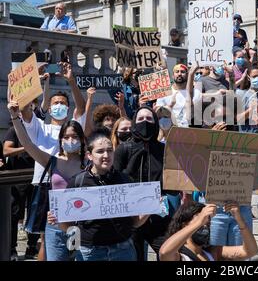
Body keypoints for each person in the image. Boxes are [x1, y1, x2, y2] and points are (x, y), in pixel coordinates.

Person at [47, 129, 150, 261]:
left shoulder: (125, 181)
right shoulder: (77, 182)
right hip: (89, 252)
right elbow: (68, 226)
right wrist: (58, 219)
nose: (106, 155)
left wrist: (149, 208)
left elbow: (135, 223)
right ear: (89, 155)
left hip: (123, 250)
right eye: (100, 151)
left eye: (110, 150)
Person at [8, 100, 88, 261]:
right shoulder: (52, 161)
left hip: (82, 225)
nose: (70, 140)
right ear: (60, 140)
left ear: (82, 139)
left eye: (74, 136)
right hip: (55, 225)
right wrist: (15, 117)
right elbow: (28, 144)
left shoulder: (89, 164)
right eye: (66, 137)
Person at [113, 106, 181, 260]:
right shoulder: (124, 149)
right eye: (141, 119)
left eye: (149, 119)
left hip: (159, 215)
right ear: (134, 123)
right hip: (131, 216)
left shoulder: (164, 150)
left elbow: (173, 184)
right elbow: (116, 181)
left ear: (156, 123)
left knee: (168, 253)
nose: (145, 122)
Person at [159, 202, 258, 261]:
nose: (205, 225)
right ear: (185, 224)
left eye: (208, 222)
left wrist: (239, 219)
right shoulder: (180, 255)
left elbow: (250, 251)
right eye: (202, 221)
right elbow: (164, 253)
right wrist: (199, 222)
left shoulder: (212, 252)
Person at [3, 124, 40, 260]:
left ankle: (31, 247)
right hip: (18, 178)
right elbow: (6, 150)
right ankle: (12, 248)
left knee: (35, 212)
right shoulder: (14, 129)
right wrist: (26, 147)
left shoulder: (39, 128)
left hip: (36, 176)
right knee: (14, 213)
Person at [156, 64, 200, 128]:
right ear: (173, 75)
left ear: (188, 75)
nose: (179, 74)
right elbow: (158, 113)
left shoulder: (195, 93)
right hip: (169, 130)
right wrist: (170, 106)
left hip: (188, 131)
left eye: (182, 72)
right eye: (177, 72)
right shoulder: (165, 92)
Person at [237, 65, 258, 134]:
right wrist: (251, 109)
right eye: (254, 77)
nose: (257, 78)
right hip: (247, 136)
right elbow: (238, 119)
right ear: (248, 78)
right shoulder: (241, 94)